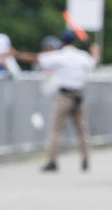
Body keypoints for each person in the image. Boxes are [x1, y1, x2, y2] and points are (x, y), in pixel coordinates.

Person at [37, 30, 100, 172]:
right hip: (78, 96)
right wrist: (95, 52)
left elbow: (41, 59)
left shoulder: (59, 56)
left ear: (61, 42)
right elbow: (93, 63)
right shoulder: (82, 56)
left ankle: (52, 160)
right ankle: (85, 158)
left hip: (64, 96)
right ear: (75, 42)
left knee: (55, 129)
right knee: (82, 130)